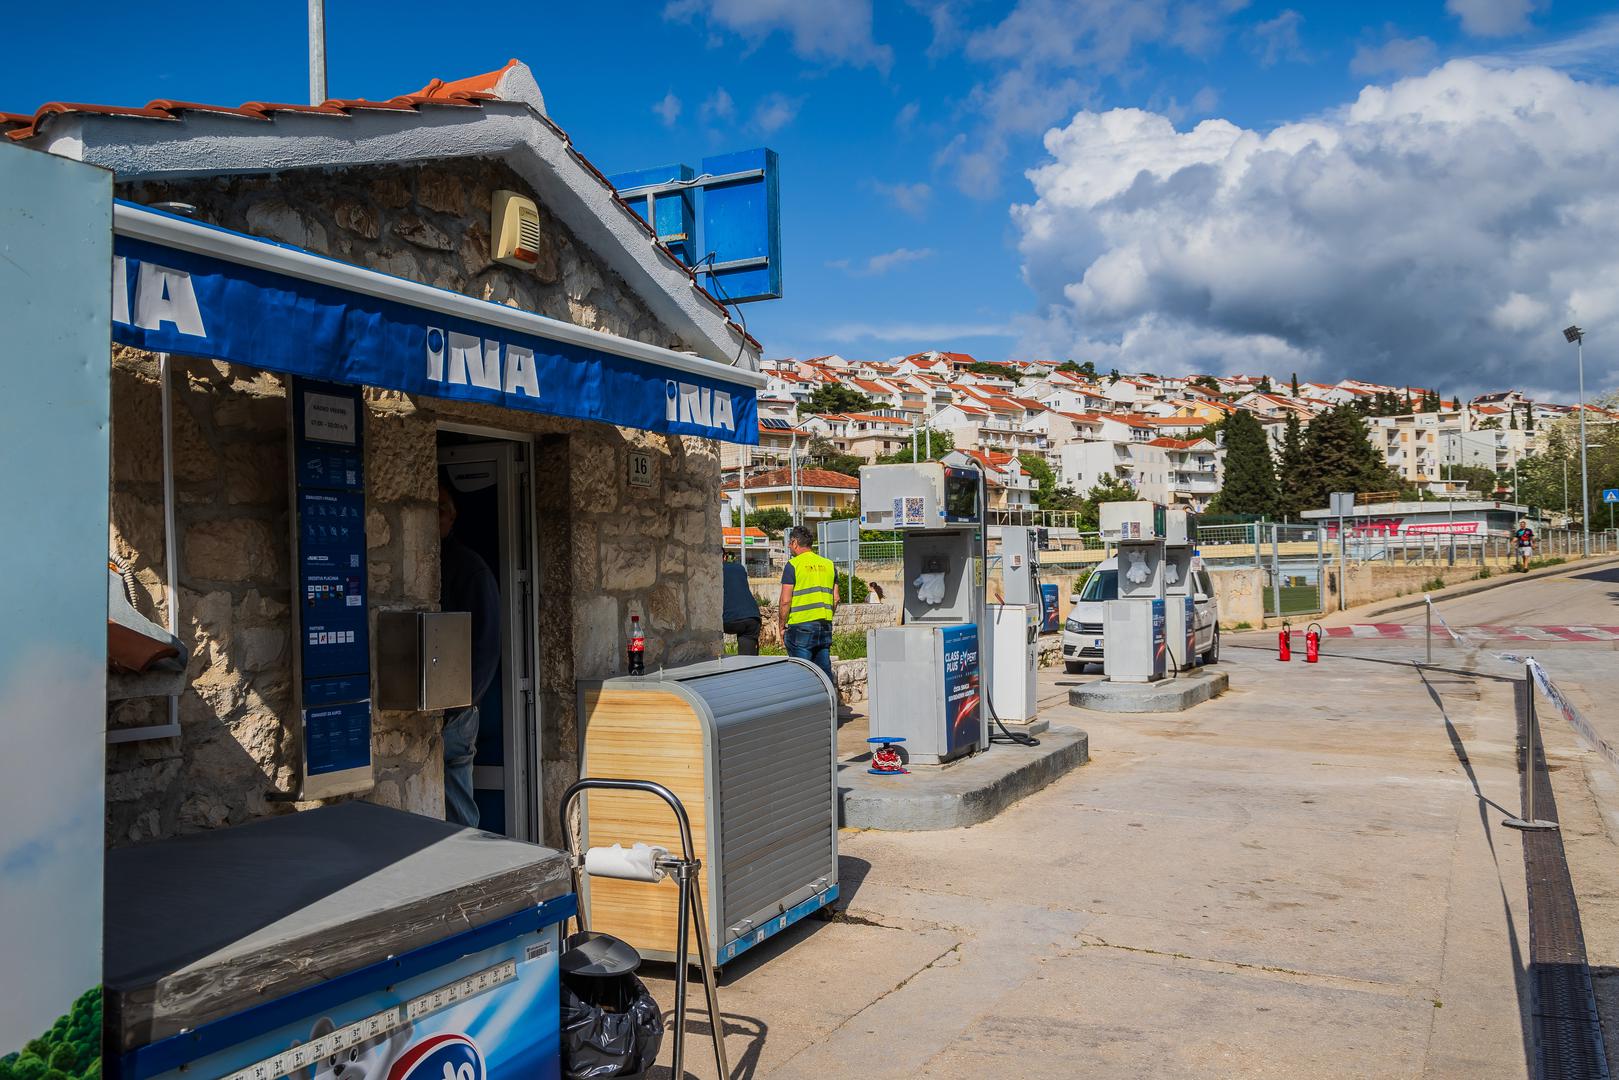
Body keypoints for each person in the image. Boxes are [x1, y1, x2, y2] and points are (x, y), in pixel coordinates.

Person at [438, 478, 501, 828]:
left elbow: (486, 646)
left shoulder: (469, 568)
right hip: (445, 707)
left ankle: (468, 873)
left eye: (441, 509)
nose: (435, 518)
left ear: (453, 516)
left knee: (458, 803)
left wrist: (461, 702)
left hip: (457, 712)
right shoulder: (444, 564)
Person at [778, 525, 837, 691]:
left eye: (790, 543)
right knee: (824, 673)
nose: (789, 547)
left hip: (801, 627)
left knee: (802, 675)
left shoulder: (793, 565)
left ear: (795, 542)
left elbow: (785, 601)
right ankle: (829, 710)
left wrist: (781, 626)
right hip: (824, 625)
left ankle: (807, 712)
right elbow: (836, 598)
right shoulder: (829, 564)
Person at [722, 550, 762, 655]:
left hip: (727, 618)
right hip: (751, 616)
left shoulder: (710, 571)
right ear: (725, 557)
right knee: (748, 660)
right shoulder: (739, 568)